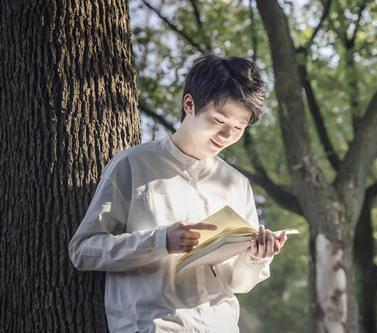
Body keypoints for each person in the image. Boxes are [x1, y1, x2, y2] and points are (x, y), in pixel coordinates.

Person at [68, 54, 287, 332]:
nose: (226, 136)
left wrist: (256, 257)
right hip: (153, 325)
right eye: (218, 120)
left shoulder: (236, 183)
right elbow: (84, 250)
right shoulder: (133, 165)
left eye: (238, 128)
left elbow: (237, 283)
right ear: (189, 104)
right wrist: (161, 241)